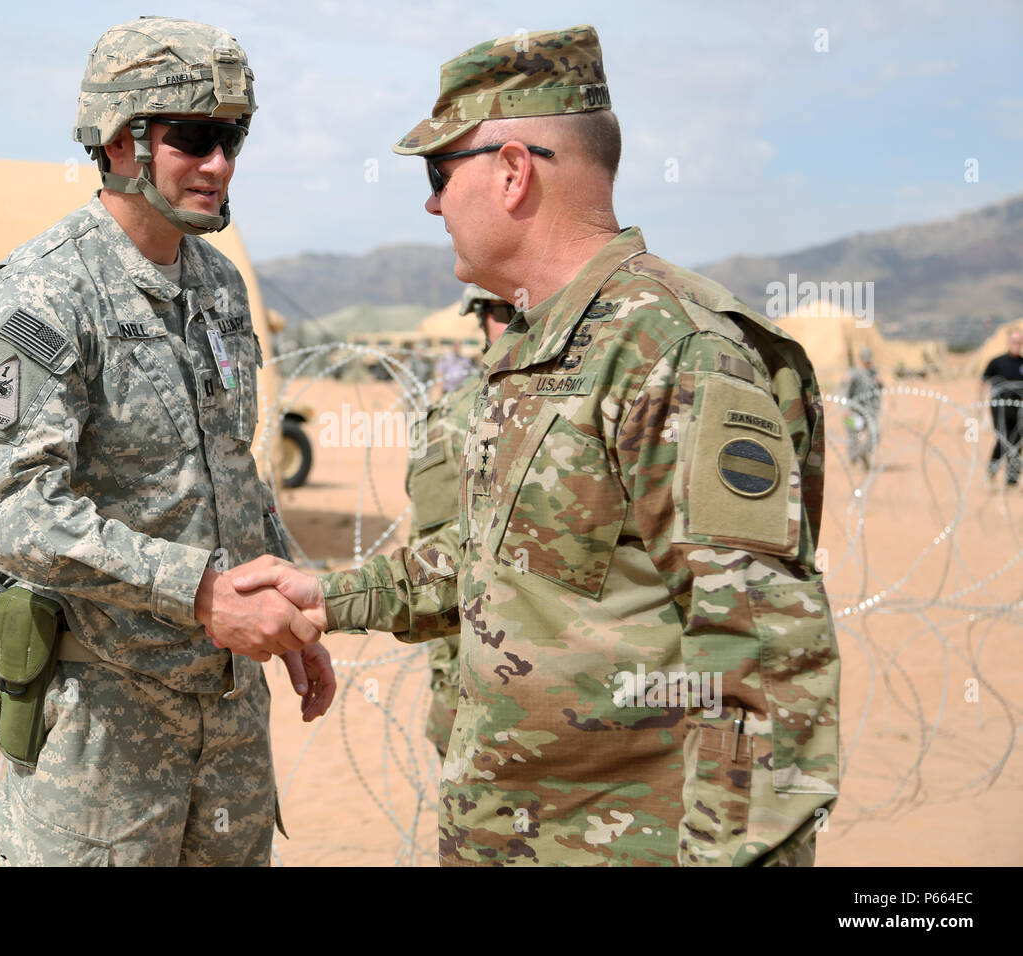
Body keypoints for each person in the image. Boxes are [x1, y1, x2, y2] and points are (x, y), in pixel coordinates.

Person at [225, 24, 839, 866]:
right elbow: (486, 571)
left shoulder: (672, 351)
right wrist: (329, 594)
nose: (433, 204)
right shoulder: (530, 353)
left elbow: (766, 659)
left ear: (513, 171)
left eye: (441, 175)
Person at [0, 16, 334, 867]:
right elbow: (11, 510)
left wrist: (288, 616)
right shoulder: (38, 296)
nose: (220, 164)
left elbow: (234, 471)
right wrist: (199, 593)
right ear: (122, 142)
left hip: (229, 720)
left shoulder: (219, 284)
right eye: (194, 137)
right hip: (104, 734)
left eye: (233, 137)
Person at [409, 285, 513, 757]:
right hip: (482, 682)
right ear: (480, 319)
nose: (515, 322)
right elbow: (434, 570)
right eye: (503, 310)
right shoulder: (452, 423)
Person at [982, 329, 1023, 487]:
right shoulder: (997, 362)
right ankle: (992, 471)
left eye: (1019, 342)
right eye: (1014, 342)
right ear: (1008, 343)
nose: (1016, 345)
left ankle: (1012, 480)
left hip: (1019, 408)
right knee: (1002, 440)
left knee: (1017, 442)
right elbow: (982, 382)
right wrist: (980, 408)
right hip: (1000, 407)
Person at [844, 347, 883, 470]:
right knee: (853, 435)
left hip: (869, 412)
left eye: (869, 361)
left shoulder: (873, 373)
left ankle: (863, 453)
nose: (867, 363)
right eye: (865, 361)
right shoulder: (854, 374)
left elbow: (879, 390)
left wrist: (880, 383)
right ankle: (853, 458)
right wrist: (846, 408)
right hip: (855, 411)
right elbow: (845, 391)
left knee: (875, 433)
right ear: (861, 360)